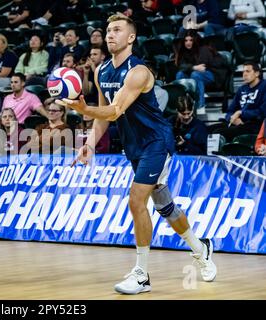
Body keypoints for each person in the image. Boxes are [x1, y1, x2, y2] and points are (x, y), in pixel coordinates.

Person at [58, 13, 217, 295]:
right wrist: (91, 143)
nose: (110, 35)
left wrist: (81, 110)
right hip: (133, 146)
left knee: (136, 200)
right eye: (107, 30)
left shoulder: (139, 72)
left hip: (157, 142)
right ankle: (200, 247)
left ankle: (142, 275)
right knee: (163, 205)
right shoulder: (102, 71)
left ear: (130, 37)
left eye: (117, 30)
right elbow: (103, 116)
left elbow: (115, 110)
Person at [174, 29, 226, 115]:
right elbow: (181, 66)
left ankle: (200, 106)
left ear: (195, 40)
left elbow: (204, 66)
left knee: (196, 75)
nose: (188, 43)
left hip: (212, 74)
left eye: (191, 40)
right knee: (180, 74)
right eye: (186, 40)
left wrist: (194, 68)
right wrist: (194, 67)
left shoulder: (204, 49)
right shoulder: (184, 51)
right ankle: (182, 105)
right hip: (195, 74)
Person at [214, 61, 266, 141]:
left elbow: (262, 112)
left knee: (219, 133)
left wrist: (241, 112)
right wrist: (232, 119)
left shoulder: (264, 86)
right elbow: (230, 111)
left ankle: (218, 153)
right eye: (243, 72)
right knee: (208, 129)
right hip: (238, 123)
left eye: (248, 71)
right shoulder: (242, 89)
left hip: (255, 125)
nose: (244, 74)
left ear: (257, 73)